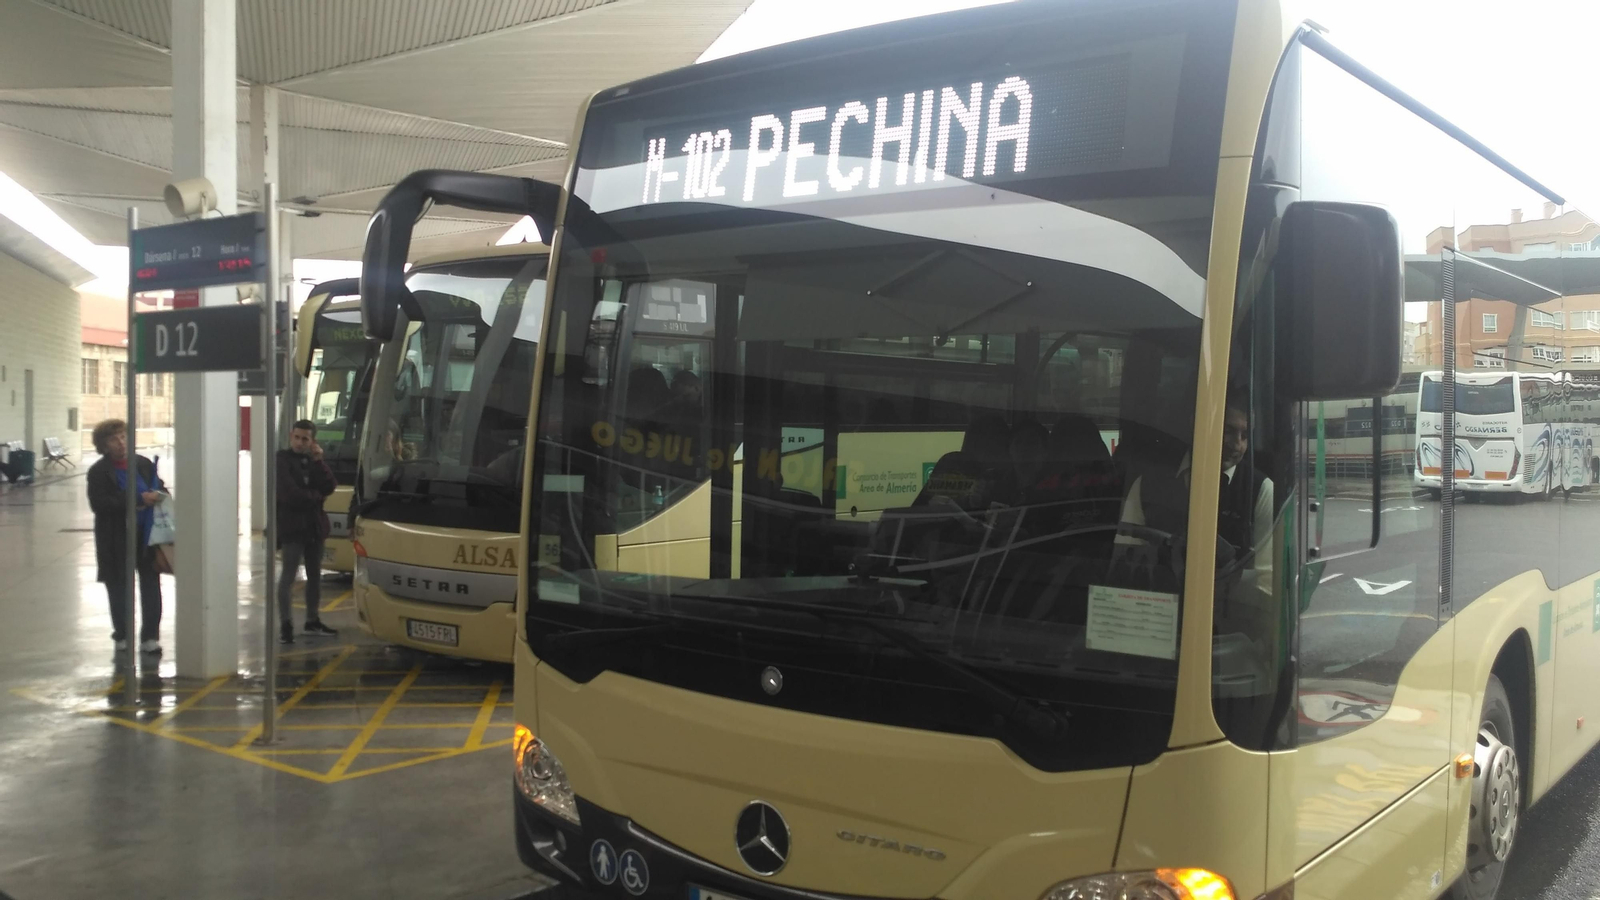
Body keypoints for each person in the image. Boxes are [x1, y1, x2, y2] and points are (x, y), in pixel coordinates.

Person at [1115, 393, 1273, 586]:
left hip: (1229, 610)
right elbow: (1125, 561)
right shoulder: (1147, 484)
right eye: (1228, 431)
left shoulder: (1260, 490)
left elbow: (1267, 581)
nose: (1237, 445)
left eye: (1245, 436)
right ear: (1197, 423)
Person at [86, 419, 167, 653]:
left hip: (146, 536)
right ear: (104, 445)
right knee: (119, 587)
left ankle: (150, 636)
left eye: (123, 437)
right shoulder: (99, 472)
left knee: (151, 585)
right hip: (115, 538)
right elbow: (100, 504)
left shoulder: (142, 464)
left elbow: (161, 489)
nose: (121, 443)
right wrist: (138, 499)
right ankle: (122, 634)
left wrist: (158, 495)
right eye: (114, 439)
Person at [277, 420, 338, 643]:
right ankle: (286, 624)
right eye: (297, 437)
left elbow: (330, 486)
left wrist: (319, 462)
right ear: (291, 435)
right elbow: (289, 494)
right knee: (288, 576)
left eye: (305, 439)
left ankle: (312, 621)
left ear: (313, 442)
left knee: (315, 575)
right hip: (292, 528)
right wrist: (315, 496)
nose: (300, 442)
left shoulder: (313, 461)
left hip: (314, 527)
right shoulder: (281, 460)